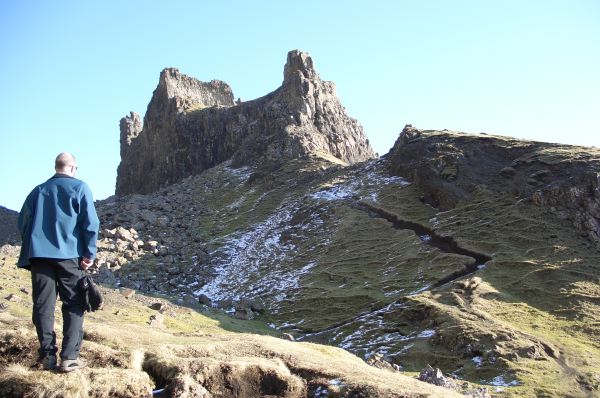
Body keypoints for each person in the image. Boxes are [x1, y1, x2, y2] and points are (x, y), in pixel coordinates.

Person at [17, 152, 99, 372]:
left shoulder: (38, 191)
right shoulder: (80, 188)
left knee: (43, 306)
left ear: (56, 167)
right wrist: (89, 254)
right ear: (73, 168)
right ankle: (70, 358)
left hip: (39, 258)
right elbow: (90, 224)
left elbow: (22, 222)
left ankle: (47, 357)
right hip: (70, 256)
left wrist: (34, 243)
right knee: (74, 303)